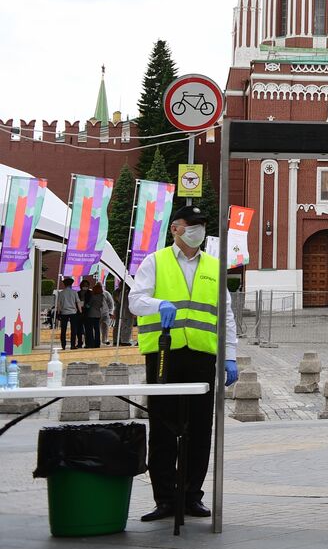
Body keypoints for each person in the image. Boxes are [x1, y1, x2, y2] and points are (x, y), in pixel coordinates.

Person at [129, 204, 239, 522]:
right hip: (165, 355)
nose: (198, 230)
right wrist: (158, 303)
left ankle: (191, 496)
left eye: (202, 224)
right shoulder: (155, 261)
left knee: (200, 429)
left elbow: (226, 316)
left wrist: (229, 356)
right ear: (175, 228)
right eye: (192, 224)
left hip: (202, 357)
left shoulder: (214, 267)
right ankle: (165, 499)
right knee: (163, 428)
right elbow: (136, 300)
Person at [54, 278, 80, 350]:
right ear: (71, 284)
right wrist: (80, 311)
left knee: (63, 329)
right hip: (73, 312)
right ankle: (72, 345)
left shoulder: (61, 293)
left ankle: (63, 345)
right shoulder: (74, 292)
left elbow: (59, 304)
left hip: (64, 313)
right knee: (73, 329)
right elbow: (78, 302)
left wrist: (58, 312)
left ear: (64, 284)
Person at [81, 276, 105, 349]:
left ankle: (91, 343)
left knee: (90, 329)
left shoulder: (93, 297)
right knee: (97, 329)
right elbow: (101, 305)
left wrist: (84, 306)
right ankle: (97, 343)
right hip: (98, 314)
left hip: (91, 314)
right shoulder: (102, 296)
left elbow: (88, 305)